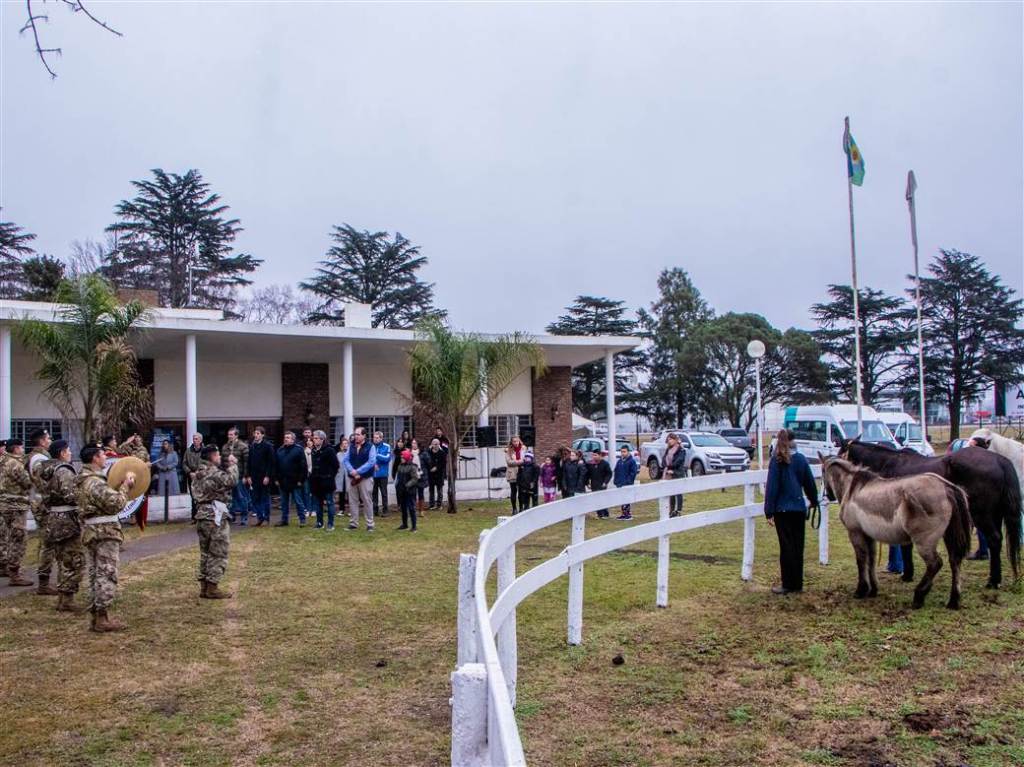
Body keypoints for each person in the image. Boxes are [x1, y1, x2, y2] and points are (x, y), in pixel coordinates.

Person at [74, 445, 136, 631]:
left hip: (92, 530)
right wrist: (126, 486)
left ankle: (97, 614)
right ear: (95, 458)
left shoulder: (84, 480)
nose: (105, 458)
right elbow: (115, 503)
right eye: (102, 455)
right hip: (104, 531)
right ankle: (102, 618)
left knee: (95, 573)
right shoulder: (95, 482)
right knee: (106, 572)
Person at [763, 429, 819, 595]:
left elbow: (772, 488)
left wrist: (769, 511)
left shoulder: (777, 461)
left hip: (783, 510)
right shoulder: (801, 460)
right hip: (798, 509)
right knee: (797, 547)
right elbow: (809, 483)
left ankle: (788, 583)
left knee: (786, 548)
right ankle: (797, 583)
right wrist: (813, 500)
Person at [38, 440, 85, 613]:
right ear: (62, 453)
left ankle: (62, 598)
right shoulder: (64, 470)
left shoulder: (46, 470)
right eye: (68, 451)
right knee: (74, 560)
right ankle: (67, 599)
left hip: (54, 518)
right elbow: (70, 495)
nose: (71, 453)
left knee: (62, 559)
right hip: (67, 521)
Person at [191, 445, 238, 599]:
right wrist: (233, 465)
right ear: (212, 456)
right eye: (217, 455)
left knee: (205, 552)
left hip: (202, 515)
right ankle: (212, 587)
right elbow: (231, 481)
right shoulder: (213, 473)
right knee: (218, 552)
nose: (219, 458)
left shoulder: (198, 473)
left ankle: (204, 587)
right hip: (214, 515)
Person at [27, 428, 57, 595]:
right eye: (48, 438)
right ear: (42, 441)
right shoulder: (40, 458)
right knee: (48, 543)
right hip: (43, 503)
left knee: (47, 542)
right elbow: (43, 482)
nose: (50, 440)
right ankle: (43, 583)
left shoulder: (39, 456)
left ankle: (44, 580)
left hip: (41, 501)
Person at [0, 438, 34, 586]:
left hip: (4, 503)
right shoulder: (15, 464)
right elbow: (26, 482)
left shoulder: (3, 461)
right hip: (16, 505)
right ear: (15, 449)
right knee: (18, 538)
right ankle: (15, 573)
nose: (22, 450)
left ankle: (4, 565)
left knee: (6, 536)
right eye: (21, 447)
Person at [344, 427, 377, 531]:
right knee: (352, 501)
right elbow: (346, 460)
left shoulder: (370, 446)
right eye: (355, 434)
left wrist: (358, 471)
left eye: (358, 434)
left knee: (367, 500)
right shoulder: (351, 445)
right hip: (352, 478)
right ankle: (353, 523)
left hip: (365, 478)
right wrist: (352, 471)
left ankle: (370, 524)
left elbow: (371, 462)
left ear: (364, 435)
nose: (356, 436)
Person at [274, 431, 308, 526]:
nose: (286, 439)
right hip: (283, 481)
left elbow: (303, 467)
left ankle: (302, 519)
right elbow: (276, 466)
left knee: (298, 501)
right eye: (285, 437)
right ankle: (284, 520)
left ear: (293, 440)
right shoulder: (280, 450)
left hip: (295, 481)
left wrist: (301, 480)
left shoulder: (299, 450)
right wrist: (276, 478)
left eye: (288, 437)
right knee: (284, 503)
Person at [309, 430, 340, 531]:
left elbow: (336, 465)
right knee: (318, 503)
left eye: (316, 438)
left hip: (327, 481)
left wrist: (330, 476)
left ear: (322, 439)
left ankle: (330, 524)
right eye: (314, 438)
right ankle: (319, 522)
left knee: (330, 502)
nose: (314, 439)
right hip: (316, 482)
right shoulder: (313, 450)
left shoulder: (329, 450)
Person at [247, 426, 276, 527]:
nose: (256, 435)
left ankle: (266, 518)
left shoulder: (268, 446)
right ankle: (260, 517)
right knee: (255, 498)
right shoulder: (252, 446)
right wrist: (248, 476)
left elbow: (271, 462)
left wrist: (268, 476)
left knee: (265, 498)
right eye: (255, 433)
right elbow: (249, 462)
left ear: (263, 435)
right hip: (254, 477)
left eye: (258, 433)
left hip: (264, 477)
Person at [221, 427, 251, 526]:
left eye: (231, 435)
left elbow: (247, 463)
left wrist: (245, 476)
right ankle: (232, 516)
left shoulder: (243, 447)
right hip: (228, 476)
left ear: (236, 435)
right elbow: (222, 463)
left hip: (239, 476)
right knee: (230, 497)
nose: (229, 436)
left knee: (241, 497)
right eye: (228, 434)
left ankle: (244, 517)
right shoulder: (225, 447)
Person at [661, 433, 687, 517]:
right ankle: (671, 510)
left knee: (678, 493)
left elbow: (679, 461)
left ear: (675, 440)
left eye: (671, 439)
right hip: (668, 474)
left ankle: (678, 510)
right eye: (668, 440)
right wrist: (666, 467)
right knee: (671, 493)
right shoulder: (667, 450)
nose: (669, 441)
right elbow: (663, 460)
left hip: (677, 473)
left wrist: (670, 468)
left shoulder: (681, 450)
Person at [395, 449, 421, 532]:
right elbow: (398, 477)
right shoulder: (400, 466)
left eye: (402, 457)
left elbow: (415, 478)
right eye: (401, 457)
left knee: (411, 508)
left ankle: (414, 526)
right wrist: (398, 485)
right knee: (403, 508)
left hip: (410, 490)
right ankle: (405, 524)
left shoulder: (413, 467)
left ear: (406, 458)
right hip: (401, 490)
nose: (401, 458)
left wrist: (407, 485)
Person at [613, 445, 639, 520]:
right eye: (621, 452)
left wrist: (628, 481)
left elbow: (633, 473)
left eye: (624, 452)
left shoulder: (631, 461)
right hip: (620, 483)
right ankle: (623, 513)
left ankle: (627, 514)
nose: (622, 453)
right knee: (622, 499)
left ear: (628, 452)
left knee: (627, 499)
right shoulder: (620, 461)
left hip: (627, 484)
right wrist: (616, 481)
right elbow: (616, 471)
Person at [182, 433, 204, 521]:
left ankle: (202, 515)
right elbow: (184, 463)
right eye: (194, 439)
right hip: (191, 477)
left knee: (202, 496)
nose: (194, 440)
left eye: (196, 439)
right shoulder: (188, 451)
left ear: (200, 440)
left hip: (201, 477)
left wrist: (199, 472)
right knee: (193, 495)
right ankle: (194, 516)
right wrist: (189, 472)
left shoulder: (205, 451)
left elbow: (207, 462)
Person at [371, 431, 392, 517]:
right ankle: (375, 510)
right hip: (373, 474)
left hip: (383, 474)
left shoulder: (386, 446)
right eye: (374, 437)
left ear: (381, 438)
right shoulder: (371, 447)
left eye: (377, 438)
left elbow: (387, 458)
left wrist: (377, 455)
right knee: (374, 493)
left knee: (384, 493)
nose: (375, 439)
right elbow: (368, 458)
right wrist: (374, 465)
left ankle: (385, 510)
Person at [505, 436, 527, 513]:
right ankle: (514, 508)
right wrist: (519, 461)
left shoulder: (523, 448)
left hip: (521, 472)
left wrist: (516, 461)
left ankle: (521, 508)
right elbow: (509, 462)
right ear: (511, 442)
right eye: (514, 441)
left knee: (521, 491)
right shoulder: (508, 450)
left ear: (519, 441)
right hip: (512, 473)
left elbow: (525, 460)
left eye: (517, 441)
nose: (516, 443)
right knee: (513, 491)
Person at [588, 451, 613, 519]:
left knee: (602, 499)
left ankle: (605, 514)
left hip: (602, 484)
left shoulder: (605, 464)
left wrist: (605, 482)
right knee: (596, 500)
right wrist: (588, 482)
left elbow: (609, 474)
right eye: (593, 455)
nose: (594, 457)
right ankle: (599, 514)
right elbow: (588, 474)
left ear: (599, 455)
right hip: (594, 484)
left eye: (595, 455)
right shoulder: (591, 464)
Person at [425, 438, 447, 510]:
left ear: (439, 444)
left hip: (439, 475)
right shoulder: (428, 452)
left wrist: (437, 468)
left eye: (437, 444)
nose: (436, 445)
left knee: (439, 491)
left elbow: (443, 464)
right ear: (431, 444)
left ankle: (439, 505)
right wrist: (430, 468)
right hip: (431, 475)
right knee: (431, 491)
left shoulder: (442, 453)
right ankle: (431, 505)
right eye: (434, 444)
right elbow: (425, 462)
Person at [411, 438, 427, 514]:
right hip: (412, 475)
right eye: (412, 443)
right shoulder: (409, 453)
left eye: (415, 443)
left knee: (421, 492)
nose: (413, 444)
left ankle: (421, 509)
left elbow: (428, 462)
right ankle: (414, 509)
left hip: (420, 475)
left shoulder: (423, 453)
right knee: (413, 493)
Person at [334, 437, 350, 514]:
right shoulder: (338, 454)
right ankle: (341, 509)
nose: (345, 445)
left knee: (350, 493)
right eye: (343, 444)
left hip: (349, 476)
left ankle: (351, 510)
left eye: (346, 444)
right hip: (340, 476)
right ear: (341, 445)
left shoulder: (350, 454)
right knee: (341, 493)